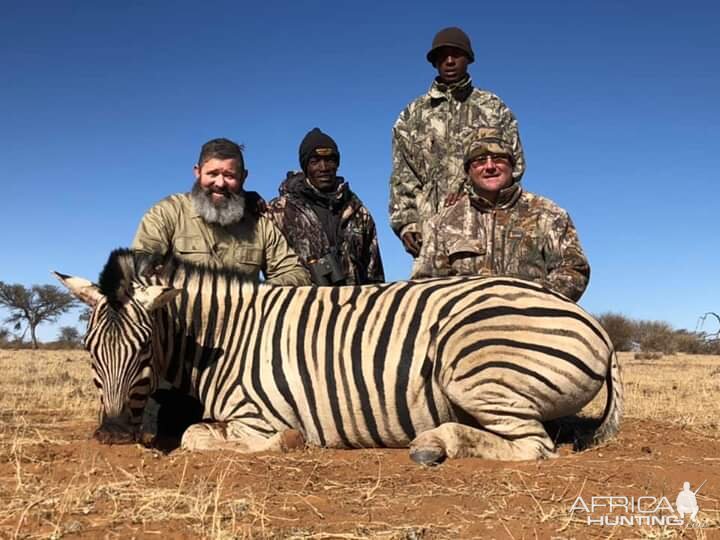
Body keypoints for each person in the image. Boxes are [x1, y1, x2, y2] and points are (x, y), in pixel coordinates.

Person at [389, 26, 526, 257]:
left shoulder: (493, 108)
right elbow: (402, 175)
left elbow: (515, 164)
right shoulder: (412, 115)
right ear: (434, 62)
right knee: (434, 293)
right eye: (442, 56)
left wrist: (471, 191)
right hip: (431, 231)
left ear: (469, 59)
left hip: (486, 227)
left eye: (456, 54)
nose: (449, 61)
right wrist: (407, 223)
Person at [411, 128, 590, 302]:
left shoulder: (548, 214)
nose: (490, 166)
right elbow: (426, 282)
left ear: (512, 166)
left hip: (534, 322)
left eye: (498, 159)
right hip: (464, 325)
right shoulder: (442, 222)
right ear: (468, 172)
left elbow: (574, 270)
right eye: (480, 160)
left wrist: (529, 303)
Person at [132, 137, 310, 286]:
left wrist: (257, 293)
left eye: (229, 175)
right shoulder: (167, 213)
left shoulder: (260, 225)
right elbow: (139, 264)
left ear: (243, 176)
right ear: (198, 172)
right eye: (212, 174)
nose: (220, 183)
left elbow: (295, 273)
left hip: (243, 323)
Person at [267, 128, 385, 285]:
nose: (324, 168)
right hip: (301, 305)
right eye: (314, 161)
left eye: (330, 160)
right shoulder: (279, 211)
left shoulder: (359, 212)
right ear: (305, 167)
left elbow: (374, 274)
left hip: (355, 305)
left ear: (337, 164)